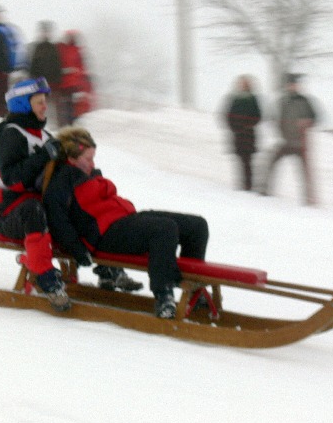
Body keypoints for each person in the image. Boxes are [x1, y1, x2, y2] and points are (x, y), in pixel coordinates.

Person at [43, 127, 209, 319]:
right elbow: (57, 220)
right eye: (88, 159)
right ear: (71, 158)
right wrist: (77, 250)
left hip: (124, 219)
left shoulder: (87, 173)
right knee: (164, 229)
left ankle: (193, 290)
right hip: (103, 235)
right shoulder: (62, 181)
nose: (92, 163)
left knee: (197, 226)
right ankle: (164, 297)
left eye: (93, 158)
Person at [0, 77, 70, 312]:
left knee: (74, 207)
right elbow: (13, 180)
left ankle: (105, 268)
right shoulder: (10, 134)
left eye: (45, 101)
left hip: (39, 207)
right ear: (24, 104)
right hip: (11, 212)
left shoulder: (45, 137)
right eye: (39, 102)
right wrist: (44, 156)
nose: (45, 106)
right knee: (34, 210)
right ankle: (45, 278)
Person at [259, 73, 318, 205]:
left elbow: (315, 118)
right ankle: (264, 190)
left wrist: (307, 122)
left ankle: (309, 199)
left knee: (305, 172)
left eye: (295, 84)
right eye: (290, 84)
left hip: (301, 144)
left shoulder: (305, 101)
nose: (292, 87)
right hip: (285, 142)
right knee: (271, 162)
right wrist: (274, 124)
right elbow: (271, 116)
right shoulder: (282, 101)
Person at [222, 75, 262, 191]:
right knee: (240, 159)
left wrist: (247, 125)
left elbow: (257, 116)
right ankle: (243, 183)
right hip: (237, 134)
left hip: (248, 135)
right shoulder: (235, 99)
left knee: (247, 160)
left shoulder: (252, 99)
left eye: (245, 83)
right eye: (241, 83)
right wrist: (234, 127)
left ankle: (248, 185)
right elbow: (228, 115)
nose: (243, 85)